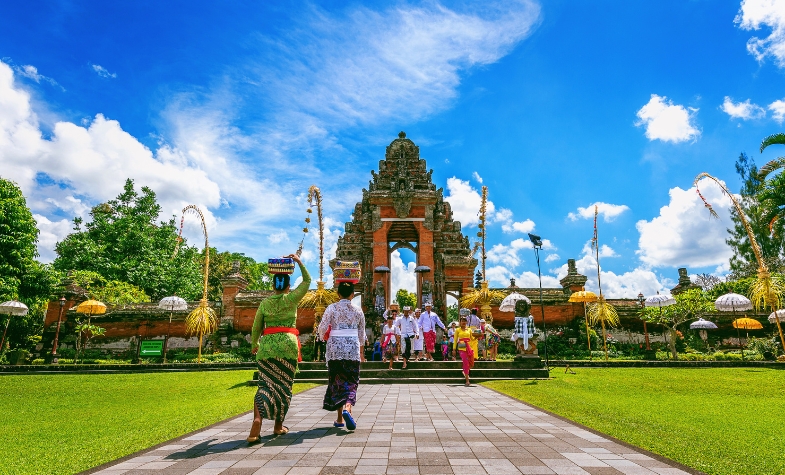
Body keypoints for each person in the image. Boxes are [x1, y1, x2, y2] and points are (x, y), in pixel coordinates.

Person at [247, 254, 310, 444]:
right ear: (288, 286)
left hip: (266, 348)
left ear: (273, 286)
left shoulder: (265, 303)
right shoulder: (292, 299)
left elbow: (256, 327)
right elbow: (307, 280)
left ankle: (257, 421)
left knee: (265, 385)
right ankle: (277, 425)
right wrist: (298, 261)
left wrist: (254, 345)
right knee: (283, 387)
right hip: (288, 347)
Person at [318, 281, 366, 431]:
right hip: (352, 348)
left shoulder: (331, 308)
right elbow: (361, 334)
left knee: (338, 380)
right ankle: (347, 408)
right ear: (353, 295)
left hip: (335, 349)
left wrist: (322, 337)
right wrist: (362, 353)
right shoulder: (358, 310)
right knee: (351, 381)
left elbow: (322, 327)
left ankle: (340, 419)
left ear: (338, 294)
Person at [452, 315, 477, 386]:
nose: (463, 322)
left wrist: (478, 336)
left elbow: (472, 338)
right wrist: (454, 349)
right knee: (465, 362)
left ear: (467, 322)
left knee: (471, 363)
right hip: (461, 347)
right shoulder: (457, 330)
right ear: (460, 322)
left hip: (469, 347)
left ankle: (464, 371)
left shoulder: (469, 330)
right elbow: (455, 340)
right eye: (462, 321)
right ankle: (467, 381)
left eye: (465, 321)